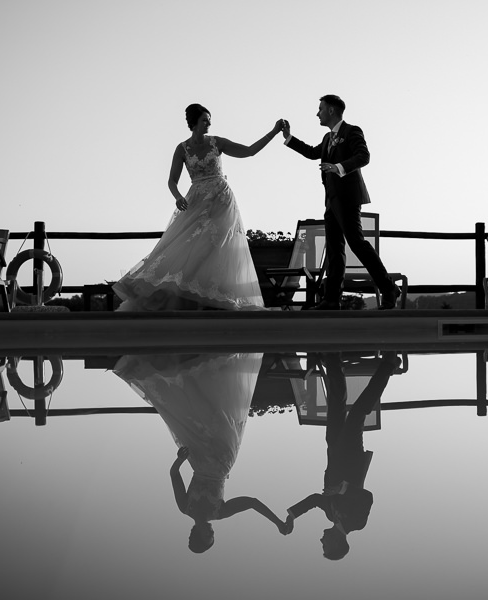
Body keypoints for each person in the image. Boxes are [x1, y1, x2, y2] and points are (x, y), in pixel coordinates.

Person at [114, 353, 291, 553]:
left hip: (200, 457)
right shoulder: (218, 512)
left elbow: (173, 475)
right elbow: (252, 503)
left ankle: (185, 367)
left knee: (194, 409)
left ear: (199, 535)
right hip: (223, 454)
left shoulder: (186, 507)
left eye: (209, 537)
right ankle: (198, 367)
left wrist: (180, 460)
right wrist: (276, 521)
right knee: (211, 410)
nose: (212, 533)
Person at [113, 104, 284, 311]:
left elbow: (249, 151)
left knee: (215, 245)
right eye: (205, 120)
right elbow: (172, 181)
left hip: (221, 200)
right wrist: (177, 197)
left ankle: (214, 297)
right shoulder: (182, 148)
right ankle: (187, 297)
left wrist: (274, 132)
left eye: (210, 120)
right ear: (193, 123)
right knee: (187, 246)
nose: (209, 124)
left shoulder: (217, 143)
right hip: (196, 200)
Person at [280, 95, 398, 310]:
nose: (317, 113)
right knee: (334, 248)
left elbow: (364, 156)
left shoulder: (352, 131)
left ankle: (389, 288)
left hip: (348, 196)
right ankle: (332, 299)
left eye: (320, 109)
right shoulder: (327, 138)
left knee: (357, 243)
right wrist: (288, 137)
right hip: (331, 200)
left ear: (332, 111)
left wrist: (339, 167)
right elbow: (312, 152)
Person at [285, 351, 400, 559]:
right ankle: (389, 364)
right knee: (358, 413)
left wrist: (292, 515)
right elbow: (367, 497)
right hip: (351, 455)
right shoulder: (357, 523)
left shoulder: (330, 513)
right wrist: (343, 488)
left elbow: (314, 499)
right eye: (325, 546)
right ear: (337, 543)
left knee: (336, 405)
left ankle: (333, 358)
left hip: (334, 449)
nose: (321, 541)